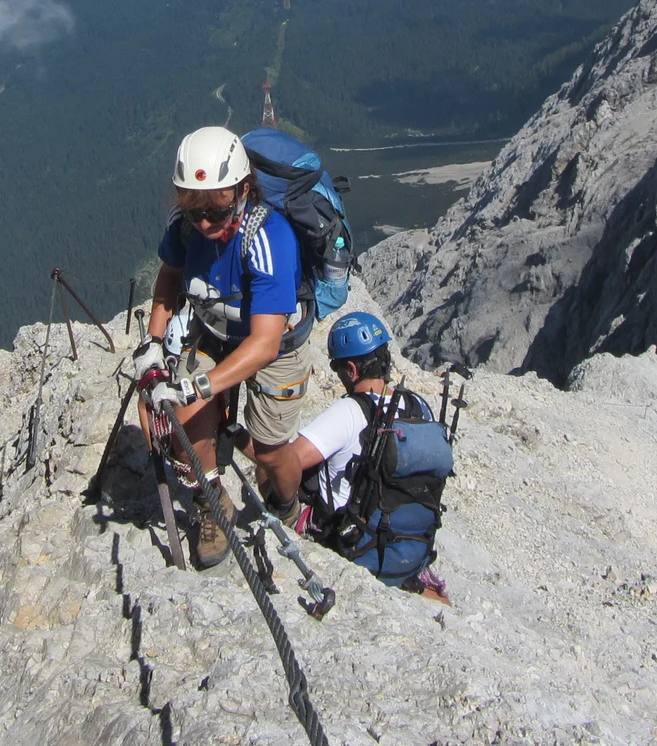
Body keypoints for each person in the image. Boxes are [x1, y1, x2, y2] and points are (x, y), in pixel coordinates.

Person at [134, 126, 315, 569]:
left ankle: (287, 501)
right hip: (214, 331)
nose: (205, 224)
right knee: (187, 426)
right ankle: (213, 502)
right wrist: (153, 345)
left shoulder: (268, 238)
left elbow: (266, 343)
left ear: (244, 190)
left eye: (216, 211)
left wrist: (196, 386)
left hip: (275, 347)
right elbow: (170, 277)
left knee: (271, 450)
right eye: (194, 211)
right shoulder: (186, 230)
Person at [284, 311, 451, 604]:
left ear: (351, 369)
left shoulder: (350, 412)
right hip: (409, 548)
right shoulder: (418, 407)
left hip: (352, 543)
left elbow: (289, 461)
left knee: (274, 474)